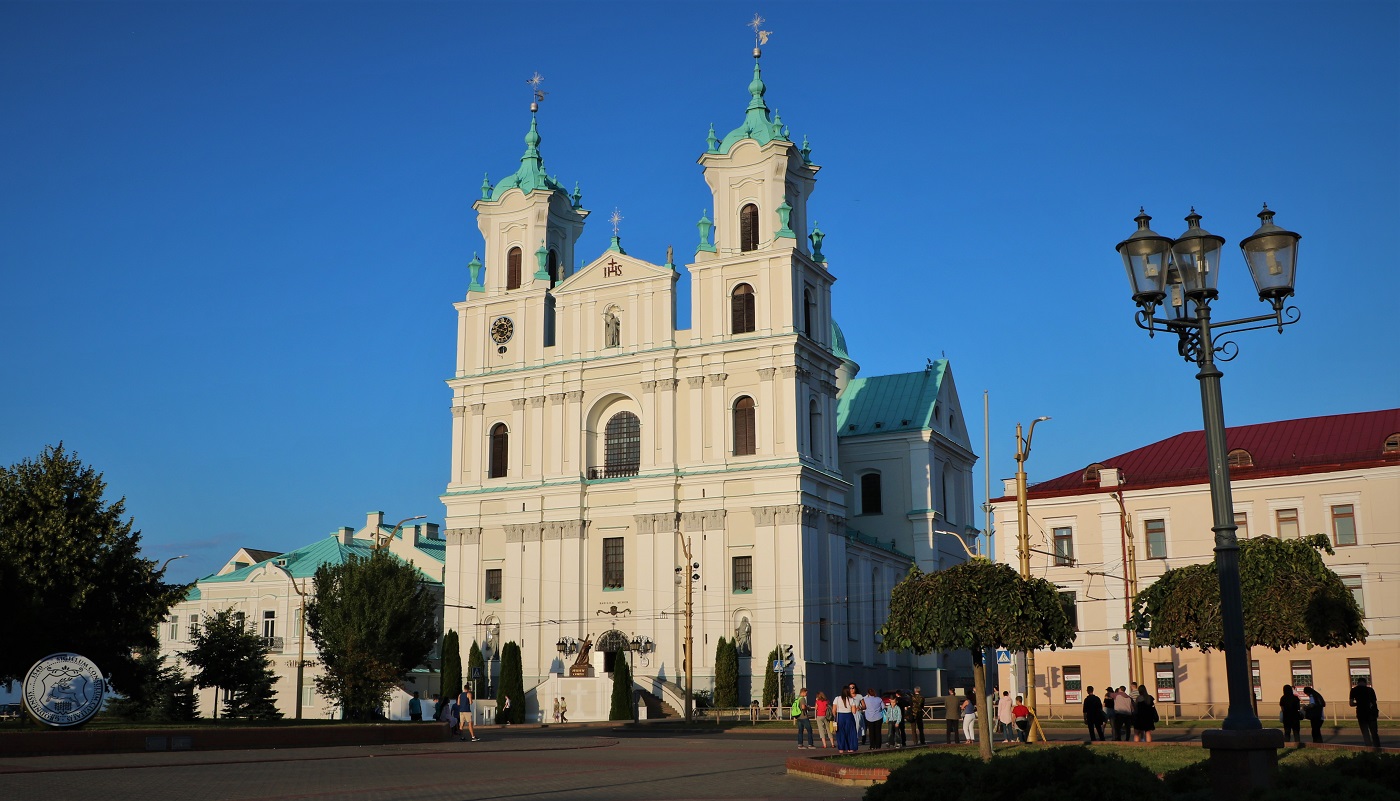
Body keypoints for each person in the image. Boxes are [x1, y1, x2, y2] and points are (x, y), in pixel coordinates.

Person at [1349, 677, 1380, 749]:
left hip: (1361, 713)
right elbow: (1374, 702)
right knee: (1374, 732)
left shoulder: (1354, 690)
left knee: (1365, 732)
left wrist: (1359, 703)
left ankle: (1368, 748)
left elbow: (1351, 703)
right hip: (1371, 713)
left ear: (1358, 682)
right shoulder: (1370, 690)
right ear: (1365, 682)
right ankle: (1378, 748)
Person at [833, 684, 860, 754]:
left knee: (840, 733)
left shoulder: (837, 698)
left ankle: (841, 748)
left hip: (840, 716)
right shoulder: (851, 699)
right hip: (849, 716)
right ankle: (850, 748)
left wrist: (835, 716)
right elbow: (854, 711)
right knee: (850, 732)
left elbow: (834, 710)